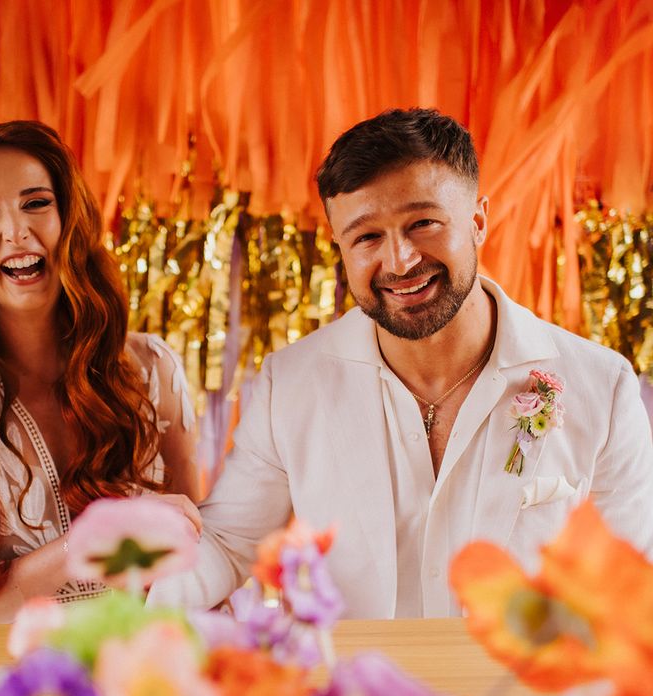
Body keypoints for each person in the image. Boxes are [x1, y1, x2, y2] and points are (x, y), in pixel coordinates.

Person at [148, 107, 653, 618]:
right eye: (367, 237)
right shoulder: (291, 384)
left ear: (478, 221)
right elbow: (228, 545)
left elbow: (627, 588)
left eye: (423, 223)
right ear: (341, 247)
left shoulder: (602, 387)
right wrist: (141, 579)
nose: (400, 261)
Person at [0, 121, 201, 622]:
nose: (16, 232)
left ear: (69, 220)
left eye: (36, 203)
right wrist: (91, 542)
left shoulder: (151, 370)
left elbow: (196, 572)